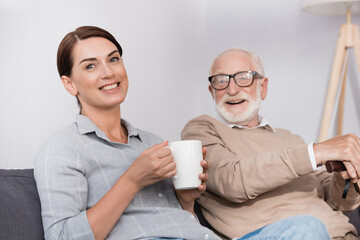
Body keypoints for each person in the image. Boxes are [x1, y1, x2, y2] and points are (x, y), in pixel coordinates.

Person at [34, 27, 329, 240]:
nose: (109, 72)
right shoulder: (62, 147)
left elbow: (181, 221)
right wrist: (132, 180)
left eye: (113, 59)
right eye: (90, 66)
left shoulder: (151, 142)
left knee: (307, 227)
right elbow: (62, 237)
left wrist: (187, 200)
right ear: (70, 84)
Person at [181, 48, 360, 240]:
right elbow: (231, 181)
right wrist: (317, 151)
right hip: (281, 234)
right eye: (221, 80)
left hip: (340, 235)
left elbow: (340, 203)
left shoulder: (290, 138)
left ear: (263, 87)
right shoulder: (202, 129)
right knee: (307, 226)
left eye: (243, 77)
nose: (231, 90)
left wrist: (348, 177)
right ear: (211, 90)